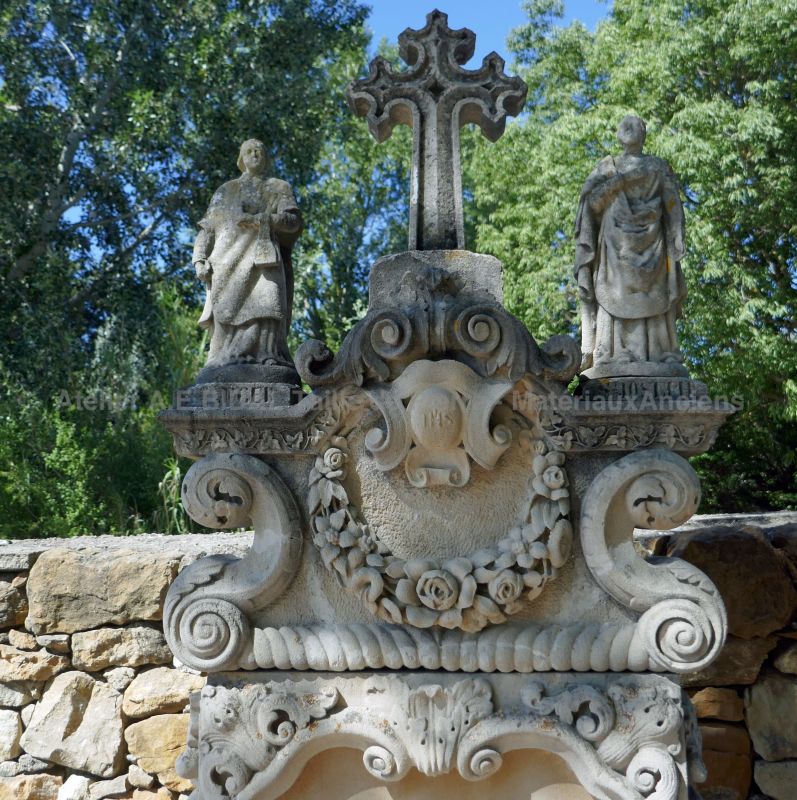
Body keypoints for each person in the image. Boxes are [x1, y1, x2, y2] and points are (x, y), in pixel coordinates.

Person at [574, 116, 687, 378]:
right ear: (617, 134)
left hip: (653, 245)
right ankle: (612, 352)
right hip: (614, 246)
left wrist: (677, 233)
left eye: (636, 125)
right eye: (624, 125)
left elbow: (672, 203)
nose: (629, 128)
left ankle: (658, 352)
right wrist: (618, 182)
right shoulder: (607, 168)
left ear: (644, 133)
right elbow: (590, 206)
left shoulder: (658, 167)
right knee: (615, 294)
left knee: (654, 296)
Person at [193, 138, 303, 369]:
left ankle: (267, 356)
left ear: (266, 158)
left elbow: (293, 221)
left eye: (259, 151)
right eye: (249, 151)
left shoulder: (279, 187)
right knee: (226, 307)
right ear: (241, 159)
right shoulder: (226, 190)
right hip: (226, 260)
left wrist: (263, 220)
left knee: (268, 303)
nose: (254, 154)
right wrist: (199, 259)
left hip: (263, 258)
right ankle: (224, 358)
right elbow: (208, 228)